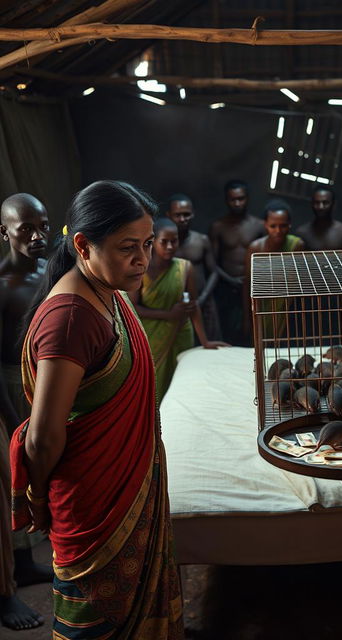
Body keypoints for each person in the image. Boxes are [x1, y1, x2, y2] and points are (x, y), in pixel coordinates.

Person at [10, 180, 184, 638]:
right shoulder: (70, 319)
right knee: (96, 623)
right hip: (92, 508)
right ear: (83, 245)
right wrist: (40, 498)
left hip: (124, 487)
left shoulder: (108, 292)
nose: (143, 260)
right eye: (128, 247)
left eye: (147, 244)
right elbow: (43, 437)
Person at [0, 194, 52, 631]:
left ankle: (28, 561)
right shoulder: (1, 285)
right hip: (10, 388)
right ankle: (7, 588)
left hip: (44, 379)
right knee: (11, 476)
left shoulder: (49, 270)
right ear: (5, 233)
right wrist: (13, 418)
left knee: (42, 471)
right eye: (25, 230)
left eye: (44, 227)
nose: (37, 237)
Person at [130, 217, 229, 400]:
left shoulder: (185, 267)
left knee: (180, 385)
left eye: (173, 241)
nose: (169, 246)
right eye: (164, 242)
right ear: (153, 242)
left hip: (180, 333)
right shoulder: (141, 269)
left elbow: (193, 306)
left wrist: (205, 342)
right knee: (152, 388)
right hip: (152, 335)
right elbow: (133, 308)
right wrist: (169, 314)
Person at [209, 180, 264, 345]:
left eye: (241, 199)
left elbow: (266, 257)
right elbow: (212, 263)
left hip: (255, 286)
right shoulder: (218, 227)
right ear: (227, 200)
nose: (237, 203)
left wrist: (252, 280)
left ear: (247, 198)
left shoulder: (259, 226)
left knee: (255, 331)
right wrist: (231, 280)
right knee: (229, 332)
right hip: (227, 287)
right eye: (233, 199)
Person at [244, 199, 305, 340]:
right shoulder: (255, 248)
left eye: (283, 226)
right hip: (262, 306)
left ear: (290, 224)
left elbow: (299, 284)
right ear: (265, 225)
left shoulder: (297, 245)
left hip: (287, 307)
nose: (278, 231)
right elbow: (247, 284)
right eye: (273, 226)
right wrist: (247, 318)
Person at [167, 193, 221, 341]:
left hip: (204, 302)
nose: (182, 219)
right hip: (175, 306)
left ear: (193, 214)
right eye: (177, 215)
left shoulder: (201, 240)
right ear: (169, 215)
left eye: (186, 214)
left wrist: (202, 299)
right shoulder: (164, 244)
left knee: (210, 347)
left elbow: (214, 272)